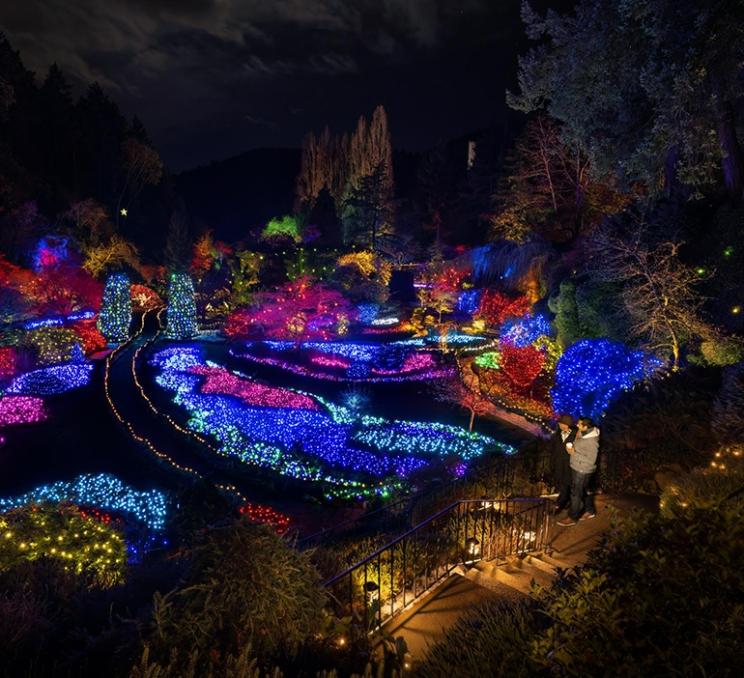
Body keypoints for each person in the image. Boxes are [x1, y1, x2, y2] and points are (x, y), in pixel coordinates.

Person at [557, 417, 600, 526]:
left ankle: (572, 517)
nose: (577, 425)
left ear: (586, 426)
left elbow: (591, 460)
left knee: (575, 494)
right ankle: (590, 511)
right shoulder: (583, 433)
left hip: (582, 470)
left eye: (580, 424)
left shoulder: (592, 441)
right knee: (584, 491)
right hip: (577, 467)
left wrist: (573, 453)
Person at [550, 414, 576, 513]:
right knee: (562, 484)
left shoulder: (575, 435)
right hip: (559, 464)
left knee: (566, 484)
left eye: (561, 423)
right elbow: (553, 451)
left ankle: (559, 505)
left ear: (566, 424)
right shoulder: (557, 435)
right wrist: (552, 463)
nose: (559, 424)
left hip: (570, 464)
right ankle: (566, 501)